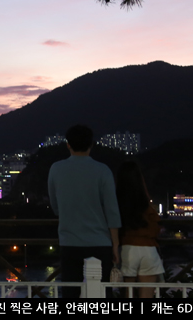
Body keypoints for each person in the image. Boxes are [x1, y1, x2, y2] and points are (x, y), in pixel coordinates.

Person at [48, 125, 121, 298]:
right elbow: (112, 211)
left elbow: (55, 206)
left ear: (68, 145)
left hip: (69, 242)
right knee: (102, 294)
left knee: (70, 293)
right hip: (100, 243)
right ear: (91, 144)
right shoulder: (103, 170)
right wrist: (116, 246)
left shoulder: (56, 169)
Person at [116, 161, 164, 298]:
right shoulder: (146, 204)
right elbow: (156, 228)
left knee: (128, 295)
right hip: (148, 250)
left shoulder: (118, 203)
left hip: (127, 250)